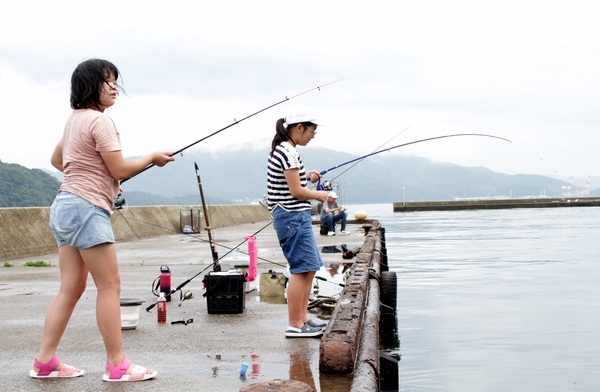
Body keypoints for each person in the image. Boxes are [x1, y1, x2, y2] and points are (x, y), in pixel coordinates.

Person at [30, 59, 174, 382]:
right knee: (109, 286)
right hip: (86, 208)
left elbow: (57, 159)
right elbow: (119, 170)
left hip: (64, 205)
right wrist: (152, 157)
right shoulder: (101, 122)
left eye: (115, 82)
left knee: (70, 288)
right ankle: (117, 364)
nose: (114, 88)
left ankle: (45, 360)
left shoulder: (74, 120)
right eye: (107, 82)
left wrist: (83, 171)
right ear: (90, 86)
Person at [267, 105, 329, 338]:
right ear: (299, 128)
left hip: (295, 217)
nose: (313, 136)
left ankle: (303, 318)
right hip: (292, 216)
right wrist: (321, 195)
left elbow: (293, 182)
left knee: (310, 267)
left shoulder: (284, 150)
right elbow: (295, 191)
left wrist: (307, 176)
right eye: (312, 131)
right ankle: (295, 323)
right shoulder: (288, 152)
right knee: (300, 269)